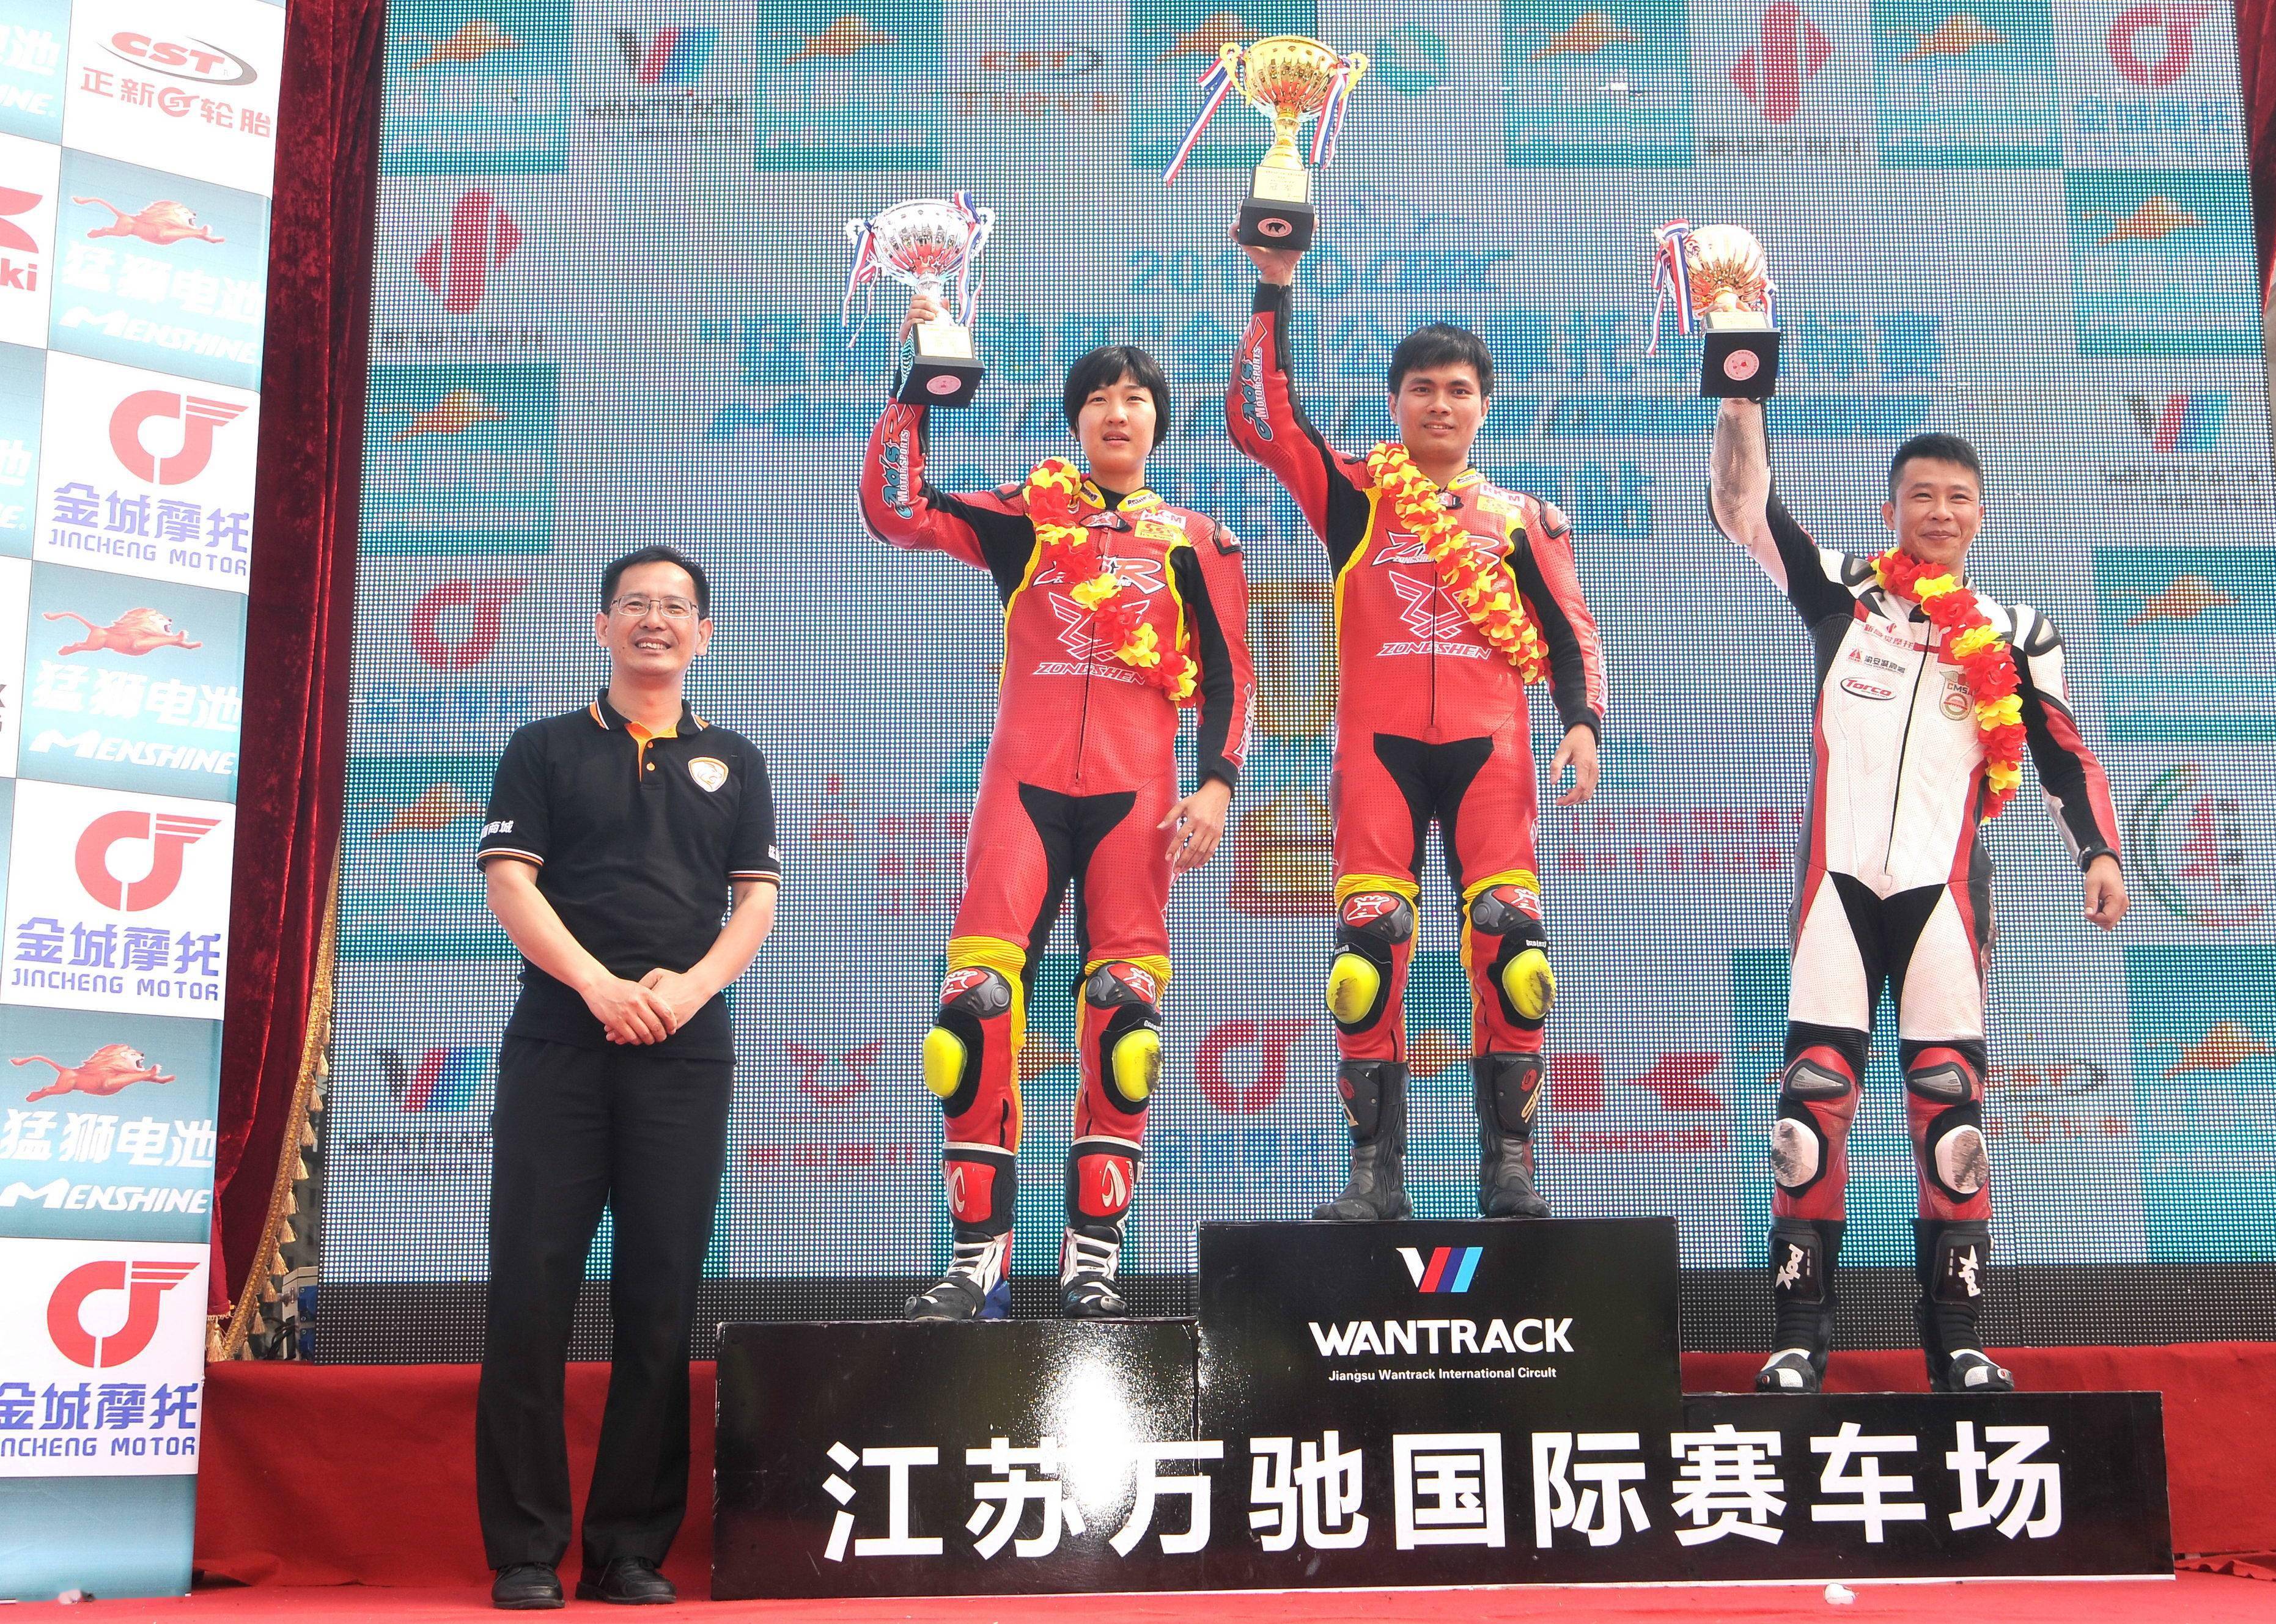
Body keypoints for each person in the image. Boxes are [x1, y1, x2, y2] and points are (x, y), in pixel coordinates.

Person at [1706, 403, 2126, 1395]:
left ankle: (1958, 1342)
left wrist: (2100, 852)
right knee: (1811, 1108)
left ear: (1981, 514)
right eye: (1922, 495)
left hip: (1947, 894)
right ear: (1889, 508)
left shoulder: (2018, 633)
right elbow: (1743, 509)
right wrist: (1740, 403)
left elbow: (2063, 755)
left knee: (1952, 1115)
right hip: (1837, 888)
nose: (1940, 510)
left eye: (1958, 497)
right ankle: (1799, 1338)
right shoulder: (1844, 593)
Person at [860, 293, 1254, 1321]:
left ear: (1158, 420)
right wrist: (915, 391)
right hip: (1022, 789)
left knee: (1126, 1020)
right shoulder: (1026, 517)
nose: (1117, 412)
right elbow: (899, 512)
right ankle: (976, 1265)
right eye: (1098, 399)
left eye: (1135, 398)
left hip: (1140, 799)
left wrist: (1219, 781)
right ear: (1075, 420)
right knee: (972, 1012)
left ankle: (1093, 1265)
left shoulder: (1199, 540)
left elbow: (1231, 676)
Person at [1227, 243, 1606, 1222]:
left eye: (1460, 390)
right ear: (1394, 402)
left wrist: (1582, 722)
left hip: (1493, 752)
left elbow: (1571, 632)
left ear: (1485, 408)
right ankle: (1375, 1176)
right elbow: (1262, 420)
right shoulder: (1357, 494)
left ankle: (1510, 1168)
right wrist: (1275, 283)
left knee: (1513, 948)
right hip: (1379, 753)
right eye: (1423, 389)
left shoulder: (1522, 519)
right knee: (1367, 954)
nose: (1442, 404)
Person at [473, 545, 779, 1608]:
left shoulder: (735, 759)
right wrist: (599, 985)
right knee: (530, 1291)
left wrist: (688, 991)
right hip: (559, 1044)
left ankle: (628, 1550)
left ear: (705, 634)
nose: (656, 620)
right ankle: (525, 1550)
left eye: (676, 607)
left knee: (660, 1299)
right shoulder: (544, 748)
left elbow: (755, 900)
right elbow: (510, 883)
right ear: (601, 626)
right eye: (635, 604)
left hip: (684, 1052)